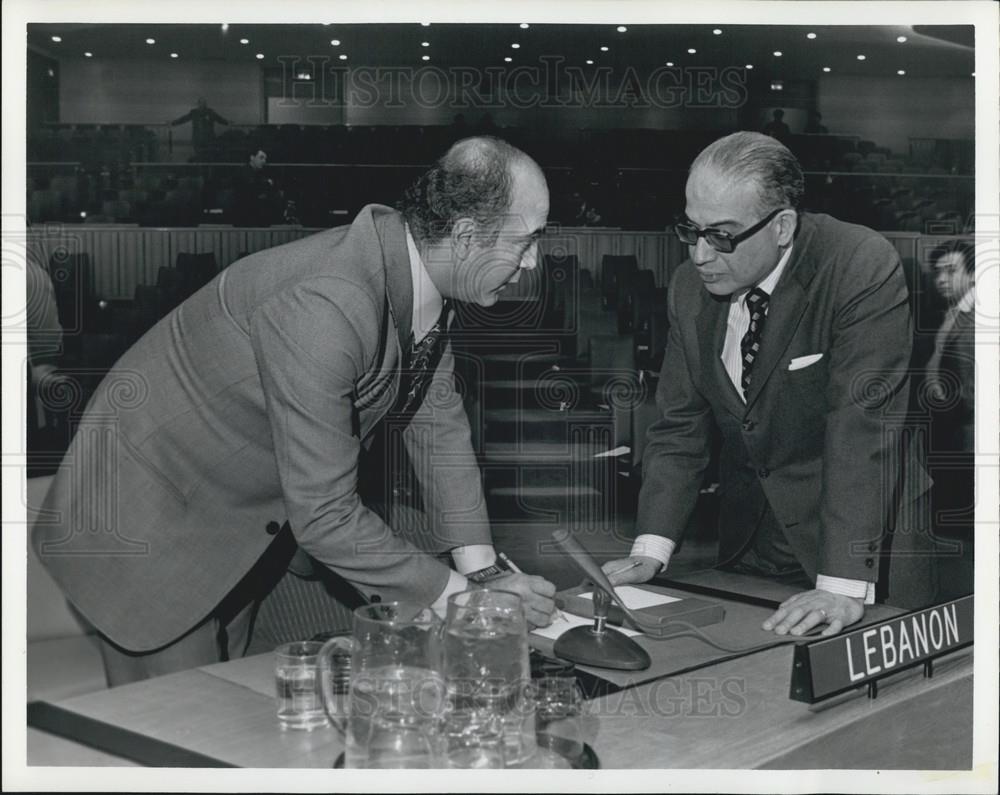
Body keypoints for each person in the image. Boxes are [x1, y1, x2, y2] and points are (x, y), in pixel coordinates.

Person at [33, 136, 557, 684]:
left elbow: (438, 430)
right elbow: (326, 516)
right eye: (527, 240)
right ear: (468, 236)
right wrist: (460, 601)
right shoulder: (327, 303)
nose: (533, 260)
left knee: (240, 719)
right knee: (185, 736)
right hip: (146, 525)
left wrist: (484, 573)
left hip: (232, 514)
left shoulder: (422, 277)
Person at [603, 132, 938, 637]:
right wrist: (650, 549)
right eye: (689, 230)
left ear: (782, 227)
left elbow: (862, 429)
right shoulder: (688, 289)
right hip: (751, 539)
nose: (698, 254)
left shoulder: (860, 263)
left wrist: (841, 586)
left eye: (720, 235)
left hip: (864, 543)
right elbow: (679, 428)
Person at [926, 241, 975, 537]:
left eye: (951, 270)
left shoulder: (978, 316)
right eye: (938, 272)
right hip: (957, 429)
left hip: (971, 429)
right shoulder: (955, 311)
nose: (941, 279)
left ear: (972, 276)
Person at [233, 148, 284, 226]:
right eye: (261, 158)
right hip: (245, 216)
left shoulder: (260, 173)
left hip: (255, 214)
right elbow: (251, 189)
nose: (264, 161)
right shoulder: (244, 172)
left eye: (265, 159)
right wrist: (267, 184)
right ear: (252, 158)